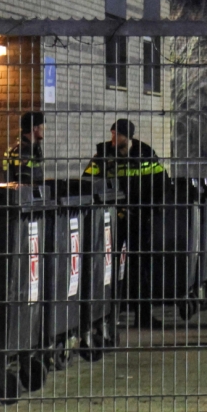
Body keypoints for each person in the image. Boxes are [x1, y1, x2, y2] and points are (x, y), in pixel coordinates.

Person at [83, 119, 170, 326]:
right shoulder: (102, 157)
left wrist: (151, 211)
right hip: (113, 221)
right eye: (112, 133)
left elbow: (162, 184)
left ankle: (143, 316)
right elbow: (86, 183)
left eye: (117, 135)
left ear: (127, 137)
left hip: (139, 220)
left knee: (142, 268)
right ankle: (109, 315)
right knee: (108, 268)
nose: (113, 138)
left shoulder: (146, 156)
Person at [3, 111, 45, 185]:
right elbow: (23, 180)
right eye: (42, 126)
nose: (45, 129)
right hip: (24, 194)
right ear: (34, 128)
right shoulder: (22, 151)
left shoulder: (30, 147)